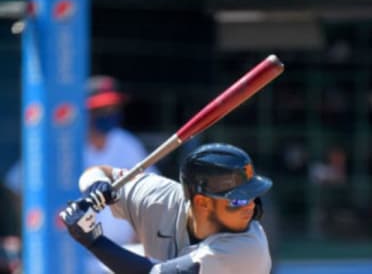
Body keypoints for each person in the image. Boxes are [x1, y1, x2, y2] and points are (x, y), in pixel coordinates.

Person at [4, 75, 157, 273]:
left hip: (121, 251)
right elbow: (16, 183)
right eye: (100, 109)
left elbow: (151, 189)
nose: (108, 113)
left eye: (113, 108)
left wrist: (141, 232)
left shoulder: (127, 144)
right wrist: (28, 232)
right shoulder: (64, 143)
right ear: (85, 112)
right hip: (72, 254)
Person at [60, 143, 273, 274]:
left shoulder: (248, 248)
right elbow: (99, 171)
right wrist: (95, 187)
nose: (250, 206)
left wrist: (94, 241)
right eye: (237, 200)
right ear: (202, 202)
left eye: (252, 195)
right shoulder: (159, 196)